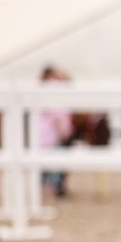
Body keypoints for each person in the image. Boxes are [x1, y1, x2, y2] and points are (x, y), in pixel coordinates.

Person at [38, 66, 74, 201]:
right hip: (52, 133)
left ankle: (46, 189)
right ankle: (51, 189)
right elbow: (59, 114)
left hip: (42, 133)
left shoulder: (42, 89)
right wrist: (65, 130)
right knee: (54, 162)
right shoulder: (57, 89)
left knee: (43, 162)